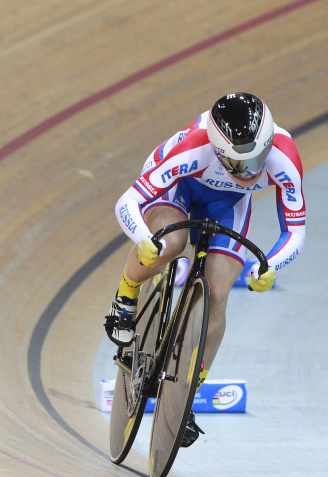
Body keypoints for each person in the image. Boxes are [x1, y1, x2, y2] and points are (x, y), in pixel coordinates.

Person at [104, 92, 305, 445]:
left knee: (217, 293)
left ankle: (187, 395)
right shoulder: (194, 149)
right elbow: (128, 201)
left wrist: (270, 265)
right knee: (171, 244)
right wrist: (144, 238)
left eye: (257, 160)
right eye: (238, 164)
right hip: (178, 188)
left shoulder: (284, 157)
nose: (250, 172)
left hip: (228, 203)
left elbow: (295, 230)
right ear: (218, 150)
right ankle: (126, 297)